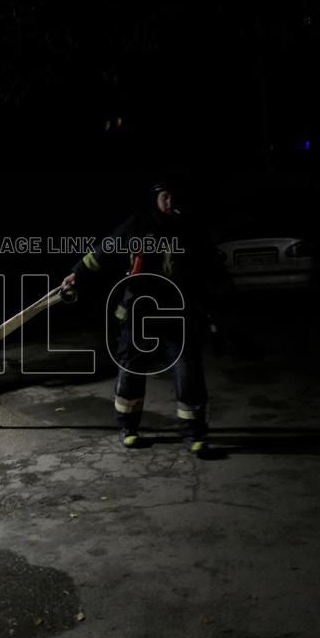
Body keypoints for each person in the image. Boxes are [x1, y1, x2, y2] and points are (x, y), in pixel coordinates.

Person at [62, 179, 218, 456]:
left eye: (175, 197)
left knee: (187, 371)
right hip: (139, 310)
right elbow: (105, 250)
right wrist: (77, 273)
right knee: (132, 369)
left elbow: (207, 266)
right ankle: (129, 429)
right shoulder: (139, 224)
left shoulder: (188, 227)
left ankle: (194, 434)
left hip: (176, 312)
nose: (170, 202)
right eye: (165, 197)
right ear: (156, 198)